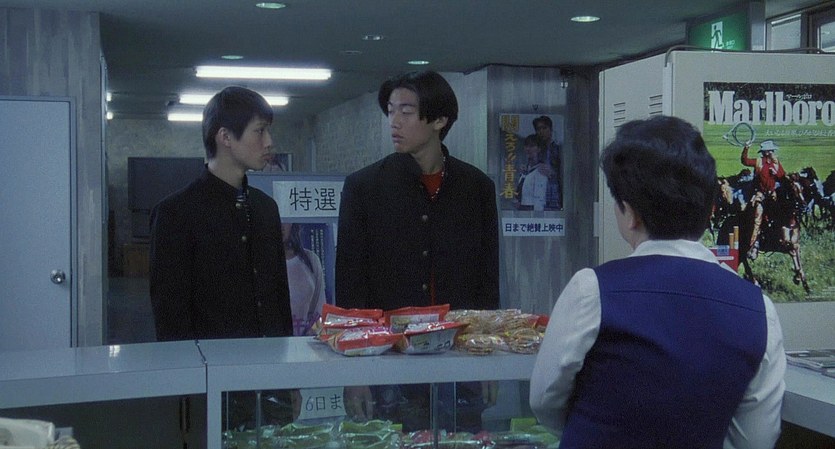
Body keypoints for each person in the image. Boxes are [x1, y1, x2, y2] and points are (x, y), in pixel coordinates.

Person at [529, 116, 785, 448]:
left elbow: (544, 401)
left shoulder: (592, 289)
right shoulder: (758, 308)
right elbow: (756, 439)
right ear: (709, 209)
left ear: (630, 213)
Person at [335, 70, 500, 432]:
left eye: (406, 111)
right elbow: (350, 284)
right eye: (391, 111)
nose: (394, 122)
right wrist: (354, 372)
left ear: (439, 120)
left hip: (459, 358)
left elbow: (487, 282)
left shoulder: (476, 188)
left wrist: (488, 359)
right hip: (389, 361)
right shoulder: (365, 188)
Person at [149, 86, 293, 341]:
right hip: (207, 361)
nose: (269, 142)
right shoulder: (176, 214)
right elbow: (170, 317)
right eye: (259, 131)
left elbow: (279, 300)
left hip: (270, 359)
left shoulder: (265, 208)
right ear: (225, 137)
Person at [741, 139, 786, 260]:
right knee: (757, 219)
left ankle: (781, 239)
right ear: (765, 152)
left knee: (781, 215)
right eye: (769, 151)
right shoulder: (758, 162)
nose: (771, 152)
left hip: (773, 195)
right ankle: (752, 245)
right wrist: (746, 148)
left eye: (772, 150)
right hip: (760, 195)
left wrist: (775, 173)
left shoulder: (776, 162)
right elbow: (745, 161)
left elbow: (782, 176)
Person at [282, 222, 326, 336]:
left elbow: (321, 312)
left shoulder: (311, 260)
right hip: (270, 342)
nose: (281, 225)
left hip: (306, 342)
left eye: (285, 220)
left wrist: (310, 335)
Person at [532, 115, 562, 209]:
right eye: (538, 129)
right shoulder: (537, 150)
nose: (541, 131)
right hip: (539, 192)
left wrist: (553, 172)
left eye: (544, 128)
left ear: (550, 129)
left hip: (555, 192)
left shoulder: (558, 147)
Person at [516, 134, 549, 211]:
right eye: (526, 146)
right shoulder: (525, 170)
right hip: (522, 210)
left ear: (539, 149)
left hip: (532, 211)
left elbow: (540, 199)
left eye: (532, 146)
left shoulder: (541, 170)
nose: (528, 149)